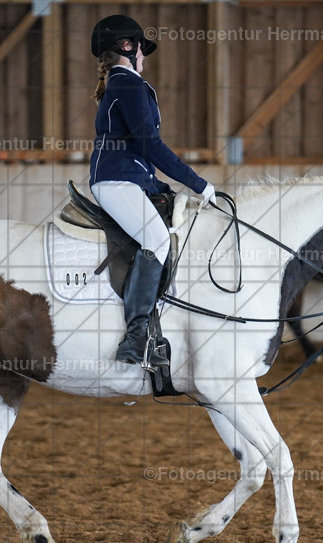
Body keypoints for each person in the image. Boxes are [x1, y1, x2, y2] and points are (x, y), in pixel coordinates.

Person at [89, 14, 216, 368]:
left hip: (129, 178)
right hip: (115, 181)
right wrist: (197, 183)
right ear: (128, 48)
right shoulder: (127, 84)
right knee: (156, 241)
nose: (145, 58)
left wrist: (165, 187)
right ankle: (136, 336)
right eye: (142, 50)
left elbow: (139, 154)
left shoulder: (123, 83)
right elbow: (149, 144)